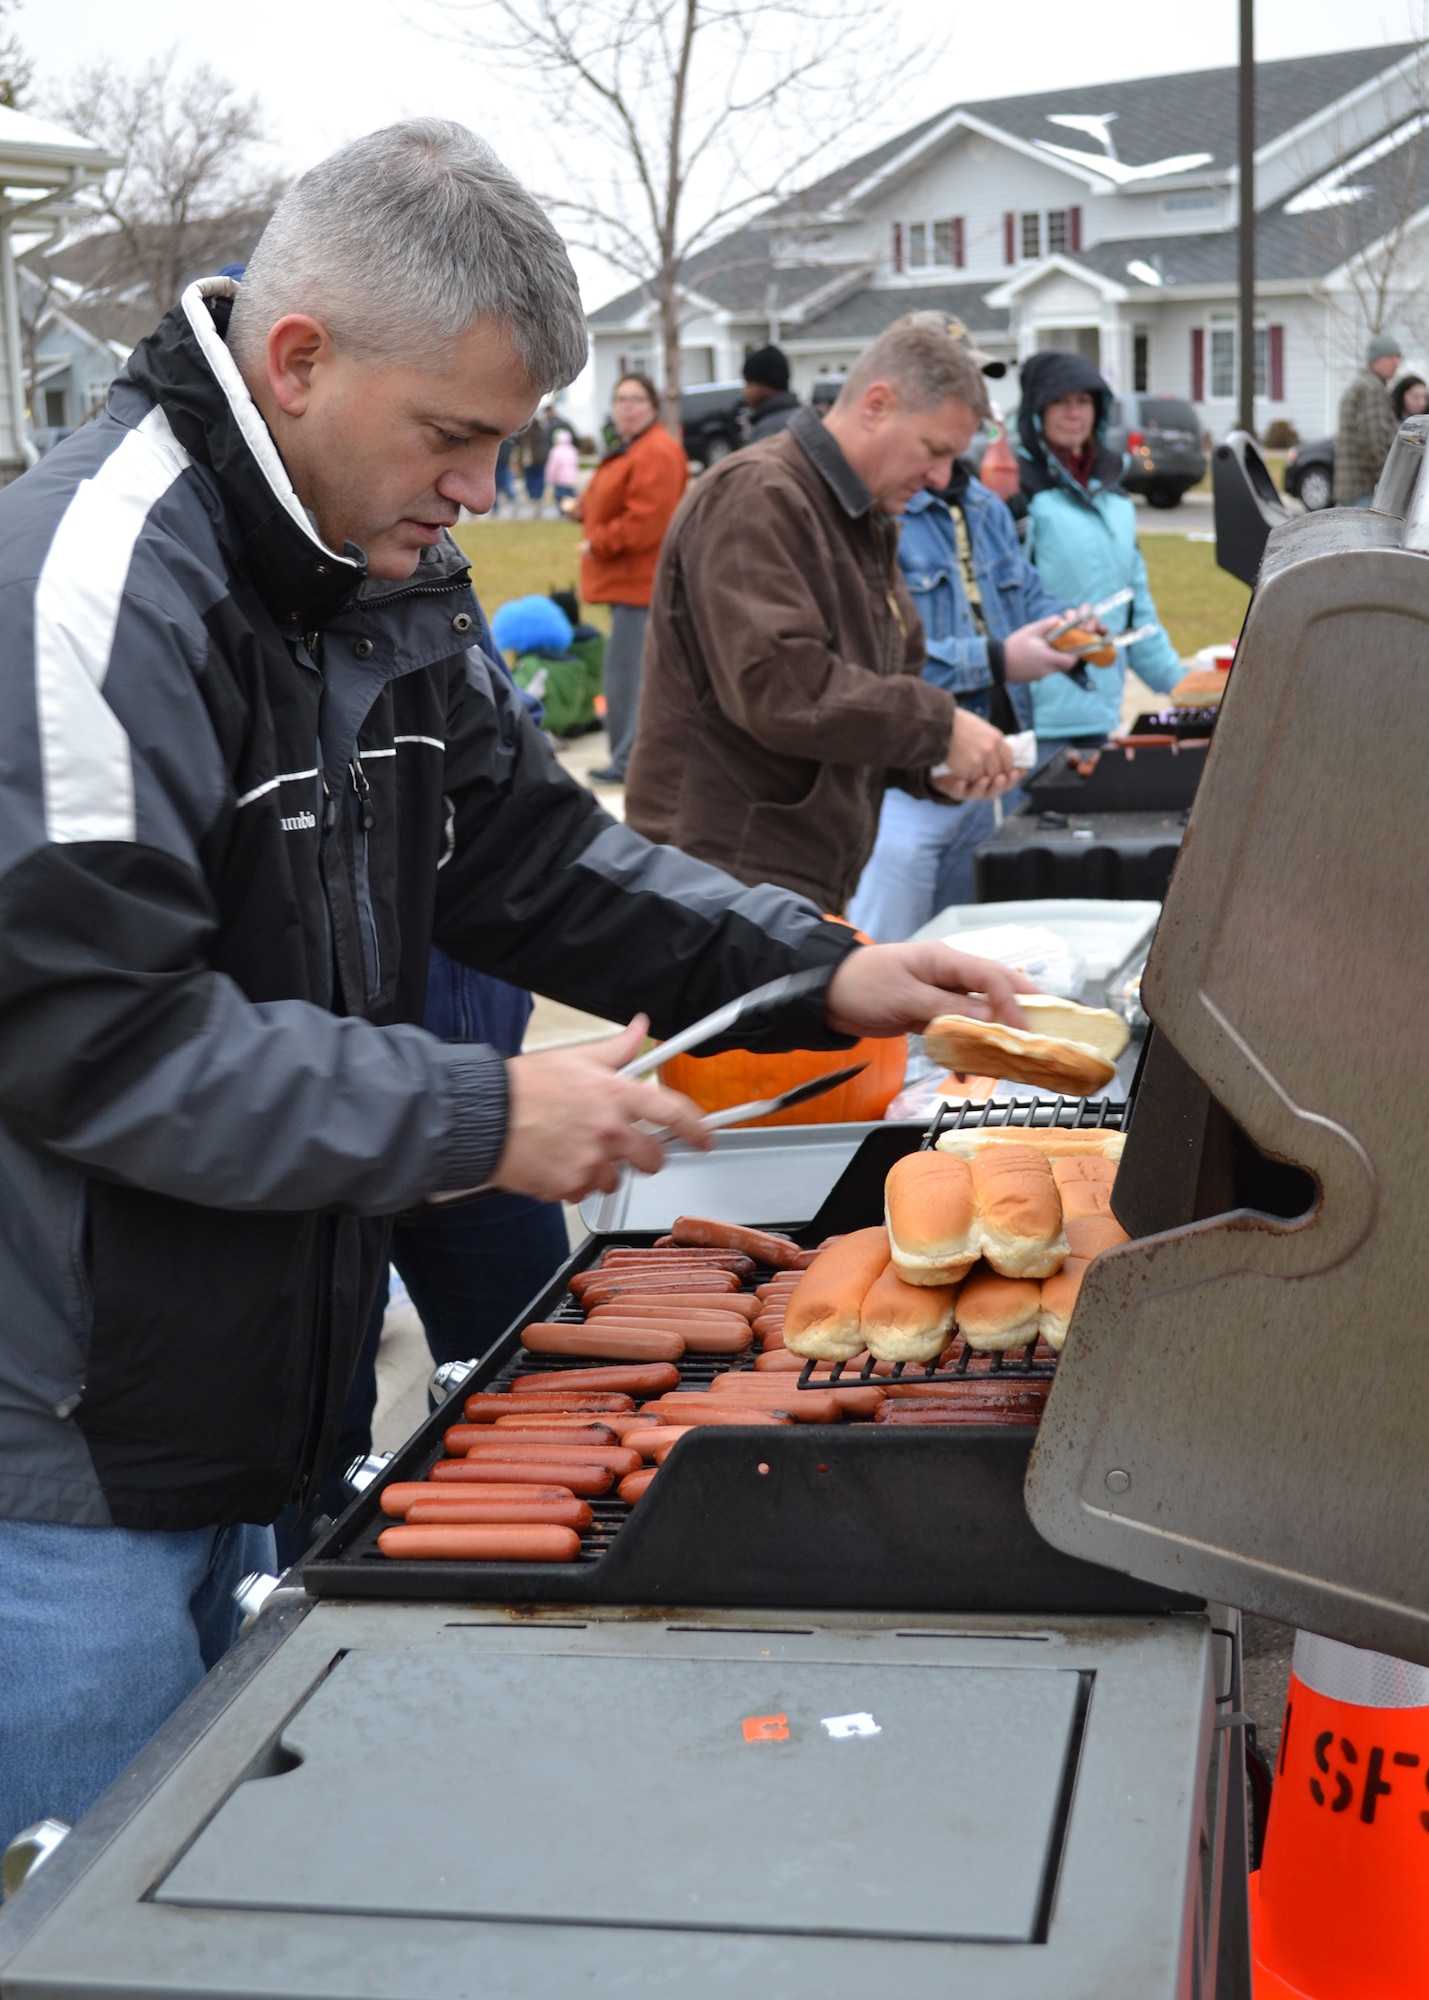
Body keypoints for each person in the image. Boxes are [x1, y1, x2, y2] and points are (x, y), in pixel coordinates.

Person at [0, 119, 1035, 1848]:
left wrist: (820, 972)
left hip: (271, 1403)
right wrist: (479, 1110)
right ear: (300, 357)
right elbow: (94, 1037)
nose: (483, 492)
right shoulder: (86, 583)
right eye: (455, 438)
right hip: (68, 1466)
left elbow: (530, 859)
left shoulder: (382, 566)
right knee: (89, 1910)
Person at [624, 316, 1023, 913]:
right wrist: (940, 729)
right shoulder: (759, 496)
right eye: (935, 450)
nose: (942, 477)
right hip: (717, 887)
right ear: (877, 405)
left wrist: (928, 769)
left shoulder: (864, 518)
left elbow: (857, 707)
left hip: (788, 885)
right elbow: (785, 689)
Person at [849, 332, 1081, 940]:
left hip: (990, 772)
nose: (972, 402)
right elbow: (881, 662)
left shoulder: (982, 503)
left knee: (958, 961)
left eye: (977, 384)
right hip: (907, 783)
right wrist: (1002, 660)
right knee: (884, 959)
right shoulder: (879, 516)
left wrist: (1067, 626)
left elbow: (1025, 593)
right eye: (956, 383)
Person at [1014, 350, 1182, 758]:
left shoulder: (1114, 497)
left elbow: (1135, 610)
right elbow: (1006, 603)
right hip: (1037, 721)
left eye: (1083, 401)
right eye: (1059, 401)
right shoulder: (1017, 492)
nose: (1073, 412)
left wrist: (1182, 687)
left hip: (1100, 714)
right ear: (1035, 410)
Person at [571, 373, 687, 784]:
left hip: (643, 583)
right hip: (631, 584)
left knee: (628, 679)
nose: (627, 407)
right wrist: (583, 510)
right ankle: (629, 758)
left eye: (636, 399)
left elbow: (647, 521)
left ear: (653, 406)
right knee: (626, 675)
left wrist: (598, 542)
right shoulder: (636, 448)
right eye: (620, 398)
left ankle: (628, 763)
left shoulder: (655, 451)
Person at [1335, 333, 1402, 506]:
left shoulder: (1361, 385)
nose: (1396, 362)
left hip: (1350, 488)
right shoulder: (1372, 389)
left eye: (1397, 357)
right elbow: (1375, 442)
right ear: (1375, 361)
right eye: (1390, 357)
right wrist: (1391, 484)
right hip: (1364, 490)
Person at [740, 343, 799, 445]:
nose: (745, 391)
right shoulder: (801, 417)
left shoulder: (769, 430)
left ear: (766, 384)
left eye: (749, 383)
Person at [546, 423, 579, 507]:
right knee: (570, 499)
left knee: (560, 499)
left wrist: (550, 479)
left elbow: (552, 467)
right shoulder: (573, 450)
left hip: (560, 480)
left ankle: (562, 514)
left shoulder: (556, 451)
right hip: (571, 480)